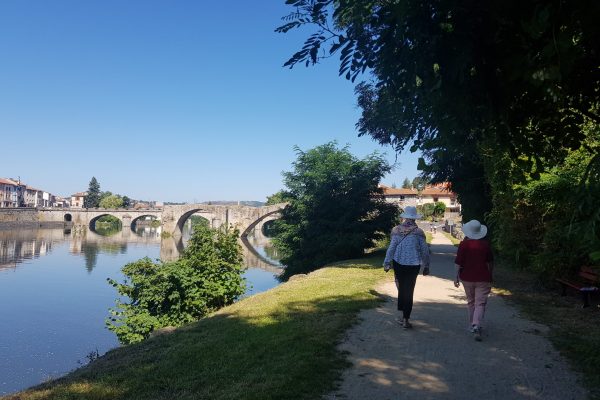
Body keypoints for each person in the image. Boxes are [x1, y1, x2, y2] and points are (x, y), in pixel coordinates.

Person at [383, 206, 430, 329]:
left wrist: (387, 262)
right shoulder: (419, 232)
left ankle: (403, 314)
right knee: (409, 290)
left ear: (404, 217)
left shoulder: (396, 230)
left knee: (402, 287)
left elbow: (392, 247)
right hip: (414, 264)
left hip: (398, 263)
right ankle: (405, 319)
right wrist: (427, 265)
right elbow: (425, 251)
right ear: (415, 218)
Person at [453, 219, 494, 341]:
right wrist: (490, 275)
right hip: (483, 278)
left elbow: (458, 263)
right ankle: (476, 324)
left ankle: (472, 325)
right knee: (480, 303)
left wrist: (456, 277)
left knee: (471, 302)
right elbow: (490, 262)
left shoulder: (463, 245)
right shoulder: (485, 245)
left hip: (467, 277)